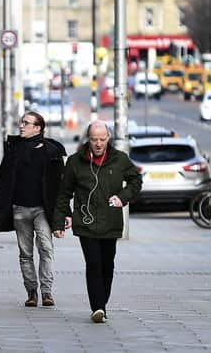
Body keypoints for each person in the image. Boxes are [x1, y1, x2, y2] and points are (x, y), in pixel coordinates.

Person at [52, 120, 142, 323]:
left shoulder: (120, 159)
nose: (99, 143)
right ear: (88, 139)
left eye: (102, 139)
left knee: (107, 265)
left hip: (111, 222)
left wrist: (122, 197)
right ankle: (98, 307)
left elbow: (136, 181)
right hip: (86, 221)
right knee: (93, 264)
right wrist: (59, 221)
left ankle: (102, 302)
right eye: (94, 140)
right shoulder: (75, 162)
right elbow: (63, 193)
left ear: (108, 139)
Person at [0, 111, 66, 307]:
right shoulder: (14, 151)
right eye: (21, 122)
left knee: (46, 248)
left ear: (38, 128)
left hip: (42, 210)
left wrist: (65, 214)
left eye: (27, 123)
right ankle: (32, 291)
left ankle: (46, 292)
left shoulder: (51, 152)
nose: (22, 126)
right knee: (25, 252)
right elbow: (2, 180)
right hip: (19, 209)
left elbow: (60, 187)